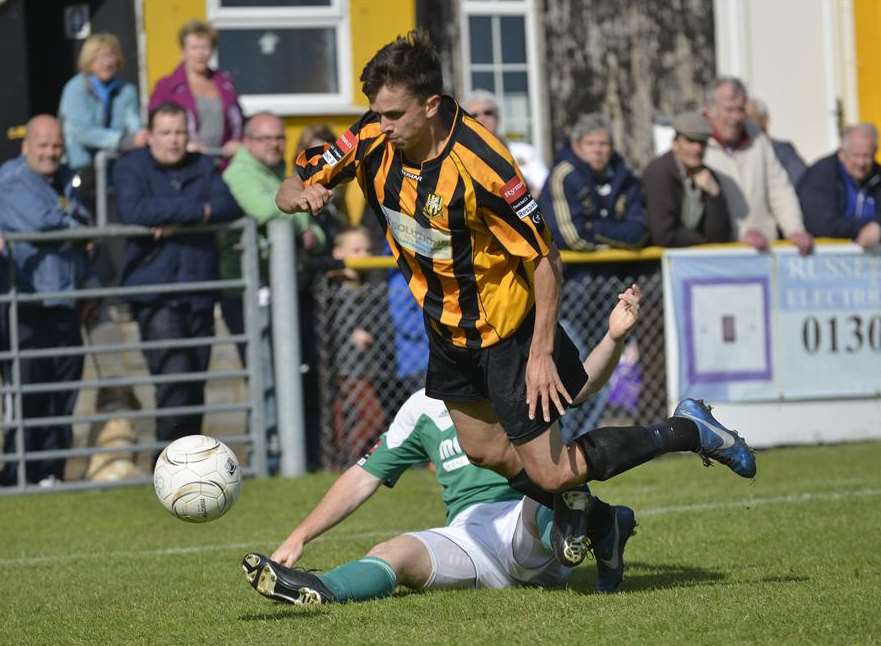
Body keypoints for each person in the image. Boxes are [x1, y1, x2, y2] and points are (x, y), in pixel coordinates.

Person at [275, 30, 756, 570]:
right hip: (448, 330)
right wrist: (303, 197)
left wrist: (541, 352)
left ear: (430, 105)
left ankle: (689, 430)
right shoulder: (371, 136)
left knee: (551, 469)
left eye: (393, 114)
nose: (380, 125)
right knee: (483, 450)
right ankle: (599, 520)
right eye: (375, 113)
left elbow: (546, 257)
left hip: (508, 328)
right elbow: (290, 184)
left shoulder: (482, 163)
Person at [241, 284, 644, 604]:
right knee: (392, 553)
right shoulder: (422, 406)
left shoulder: (521, 382)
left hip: (531, 525)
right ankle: (318, 588)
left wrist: (613, 338)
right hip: (469, 536)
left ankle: (576, 524)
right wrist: (299, 537)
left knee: (540, 505)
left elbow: (581, 388)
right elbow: (364, 476)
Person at [113, 102, 241, 445]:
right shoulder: (130, 167)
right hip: (155, 291)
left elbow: (229, 204)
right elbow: (133, 210)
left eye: (181, 132)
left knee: (195, 381)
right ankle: (167, 463)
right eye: (166, 133)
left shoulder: (202, 165)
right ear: (150, 136)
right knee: (173, 380)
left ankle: (188, 464)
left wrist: (179, 217)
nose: (174, 140)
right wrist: (199, 212)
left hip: (198, 288)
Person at [220, 112, 327, 473]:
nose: (275, 145)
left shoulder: (279, 172)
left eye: (280, 138)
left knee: (294, 375)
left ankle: (294, 458)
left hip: (288, 290)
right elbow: (266, 210)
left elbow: (317, 230)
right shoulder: (239, 173)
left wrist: (305, 226)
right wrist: (300, 220)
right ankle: (269, 459)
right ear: (248, 141)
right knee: (265, 377)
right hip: (251, 294)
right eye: (266, 139)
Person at [0, 116, 94, 485]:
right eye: (42, 144)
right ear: (26, 146)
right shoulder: (11, 181)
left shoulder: (66, 177)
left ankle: (52, 473)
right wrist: (76, 224)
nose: (50, 152)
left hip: (66, 301)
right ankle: (21, 474)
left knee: (64, 394)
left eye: (56, 145)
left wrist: (90, 286)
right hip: (27, 303)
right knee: (29, 394)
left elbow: (80, 227)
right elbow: (42, 221)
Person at [702, 77, 813, 255]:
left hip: (765, 249)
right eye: (729, 110)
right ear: (709, 111)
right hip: (720, 252)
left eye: (740, 109)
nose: (737, 117)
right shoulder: (696, 146)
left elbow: (779, 188)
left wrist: (794, 229)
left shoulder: (757, 138)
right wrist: (741, 233)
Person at [58, 32, 148, 207]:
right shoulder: (75, 88)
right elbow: (82, 132)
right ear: (89, 60)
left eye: (111, 55)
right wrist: (122, 140)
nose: (107, 62)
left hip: (114, 169)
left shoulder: (126, 90)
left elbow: (134, 124)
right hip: (79, 169)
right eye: (99, 57)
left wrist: (141, 137)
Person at [326, 226, 390, 466]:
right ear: (339, 253)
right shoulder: (335, 287)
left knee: (360, 416)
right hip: (346, 369)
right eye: (356, 250)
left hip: (365, 367)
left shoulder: (365, 286)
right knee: (370, 417)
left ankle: (352, 458)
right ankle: (352, 460)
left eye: (367, 249)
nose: (364, 255)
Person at [538, 113, 648, 251]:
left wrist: (595, 227)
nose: (597, 150)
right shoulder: (564, 176)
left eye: (603, 144)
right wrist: (613, 244)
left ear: (612, 147)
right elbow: (572, 238)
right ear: (576, 147)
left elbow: (638, 232)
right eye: (590, 143)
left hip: (625, 270)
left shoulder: (626, 178)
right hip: (574, 270)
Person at [149, 20, 243, 160]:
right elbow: (154, 125)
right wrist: (184, 144)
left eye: (205, 47)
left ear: (212, 50)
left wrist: (237, 142)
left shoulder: (226, 84)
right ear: (183, 51)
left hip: (225, 162)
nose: (200, 53)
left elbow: (240, 121)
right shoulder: (166, 86)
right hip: (186, 162)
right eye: (194, 48)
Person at [642, 110, 732, 246]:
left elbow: (720, 235)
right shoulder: (659, 173)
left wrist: (715, 195)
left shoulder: (708, 175)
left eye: (702, 143)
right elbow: (664, 234)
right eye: (690, 141)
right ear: (675, 143)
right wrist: (704, 242)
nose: (697, 148)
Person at [798, 123, 881, 248]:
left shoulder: (877, 176)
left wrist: (877, 226)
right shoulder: (821, 175)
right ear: (842, 153)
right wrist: (868, 226)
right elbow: (821, 224)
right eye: (856, 155)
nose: (861, 163)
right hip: (827, 257)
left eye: (867, 156)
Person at [462, 89, 549, 195]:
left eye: (488, 112)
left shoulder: (526, 152)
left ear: (497, 117)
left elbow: (545, 190)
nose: (482, 118)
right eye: (474, 115)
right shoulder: (461, 158)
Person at [746, 97, 807, 187]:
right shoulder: (737, 153)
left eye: (750, 118)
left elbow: (801, 182)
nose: (746, 123)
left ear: (765, 121)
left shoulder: (783, 151)